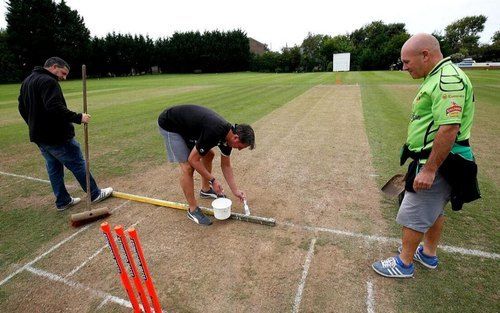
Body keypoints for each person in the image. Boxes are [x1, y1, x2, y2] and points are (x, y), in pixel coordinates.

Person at [372, 34, 480, 278]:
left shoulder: (446, 80)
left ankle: (404, 263)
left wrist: (430, 169)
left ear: (425, 55)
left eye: (407, 62)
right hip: (439, 157)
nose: (404, 67)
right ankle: (428, 253)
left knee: (415, 210)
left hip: (439, 160)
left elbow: (449, 128)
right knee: (434, 209)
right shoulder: (439, 76)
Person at [18, 57, 113, 211]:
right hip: (56, 136)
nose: (64, 77)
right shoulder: (49, 81)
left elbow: (22, 108)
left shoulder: (27, 81)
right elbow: (54, 106)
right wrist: (78, 117)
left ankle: (63, 201)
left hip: (40, 137)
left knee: (54, 167)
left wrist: (34, 125)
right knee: (77, 162)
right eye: (63, 73)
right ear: (54, 67)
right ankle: (95, 194)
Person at [158, 104, 255, 226]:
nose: (239, 150)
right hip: (171, 124)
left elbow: (226, 166)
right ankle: (192, 210)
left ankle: (205, 190)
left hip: (189, 128)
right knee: (188, 167)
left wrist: (235, 191)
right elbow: (194, 160)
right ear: (236, 138)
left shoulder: (228, 139)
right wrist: (213, 180)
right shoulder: (215, 130)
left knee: (209, 155)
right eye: (240, 147)